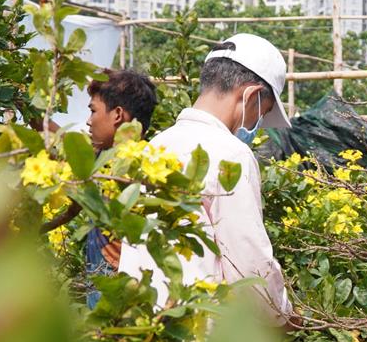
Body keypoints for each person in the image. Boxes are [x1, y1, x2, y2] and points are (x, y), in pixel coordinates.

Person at [118, 34, 294, 322]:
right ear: (251, 96)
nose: (256, 126)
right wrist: (282, 317)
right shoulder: (230, 154)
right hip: (198, 339)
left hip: (141, 333)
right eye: (262, 114)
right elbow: (248, 264)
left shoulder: (155, 147)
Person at [30, 68, 158, 308]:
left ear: (118, 115)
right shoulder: (102, 158)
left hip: (120, 294)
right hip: (99, 286)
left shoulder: (137, 169)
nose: (88, 121)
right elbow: (65, 143)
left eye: (93, 111)